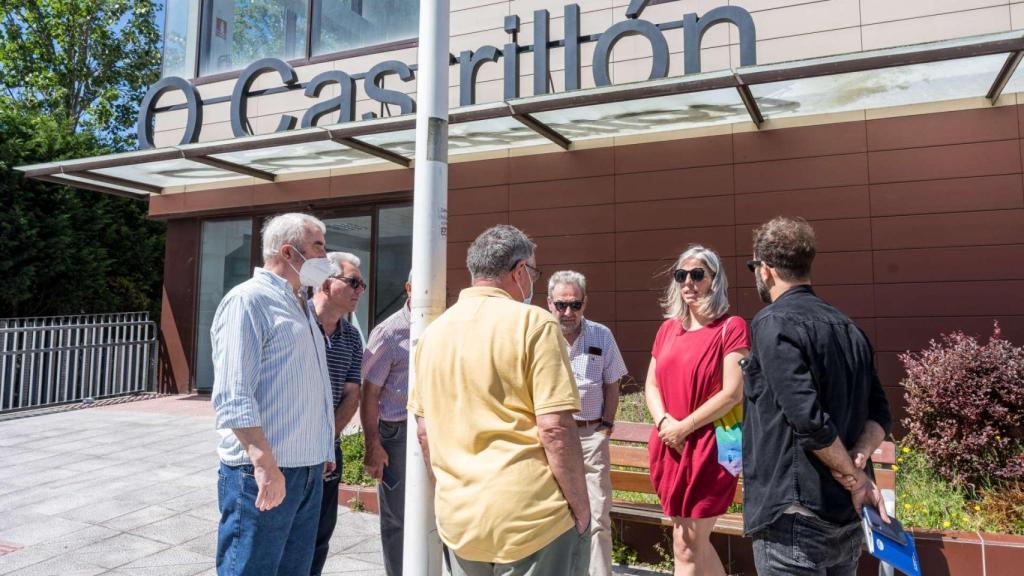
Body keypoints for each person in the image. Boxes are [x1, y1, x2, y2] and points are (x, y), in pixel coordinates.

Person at [409, 224, 591, 576]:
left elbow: (424, 433)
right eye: (533, 271)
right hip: (531, 517)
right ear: (519, 271)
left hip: (460, 518)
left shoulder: (432, 335)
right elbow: (554, 429)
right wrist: (582, 508)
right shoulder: (535, 323)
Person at [743, 217, 893, 576]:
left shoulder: (771, 322)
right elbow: (881, 416)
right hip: (845, 516)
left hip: (794, 516)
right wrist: (857, 460)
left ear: (765, 270)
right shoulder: (849, 328)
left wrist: (853, 475)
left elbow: (808, 420)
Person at [210, 212, 337, 576]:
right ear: (288, 251)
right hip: (264, 472)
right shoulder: (248, 301)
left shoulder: (301, 304)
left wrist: (323, 448)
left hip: (307, 470)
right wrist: (264, 464)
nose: (324, 258)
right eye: (318, 247)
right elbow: (233, 394)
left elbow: (309, 383)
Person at [644, 245, 749, 576]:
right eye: (681, 275)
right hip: (669, 444)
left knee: (687, 544)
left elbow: (733, 392)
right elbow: (651, 386)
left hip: (711, 446)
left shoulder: (731, 327)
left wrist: (683, 427)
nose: (688, 282)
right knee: (691, 543)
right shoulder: (667, 330)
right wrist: (664, 423)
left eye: (697, 274)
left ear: (714, 280)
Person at [546, 270, 627, 576]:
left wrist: (606, 425)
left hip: (591, 434)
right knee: (553, 513)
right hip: (552, 438)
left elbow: (612, 383)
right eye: (561, 305)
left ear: (585, 303)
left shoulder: (601, 335)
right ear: (549, 303)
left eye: (575, 305)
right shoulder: (539, 335)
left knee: (598, 513)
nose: (568, 312)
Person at [310, 252, 366, 575]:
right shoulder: (299, 325)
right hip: (291, 452)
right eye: (353, 282)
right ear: (326, 282)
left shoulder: (352, 337)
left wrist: (325, 439)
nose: (360, 290)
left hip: (329, 449)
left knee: (320, 534)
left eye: (362, 284)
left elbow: (352, 395)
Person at [361, 273, 412, 576]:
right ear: (408, 288)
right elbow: (369, 393)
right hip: (398, 434)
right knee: (398, 517)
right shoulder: (389, 333)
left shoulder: (443, 325)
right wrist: (373, 444)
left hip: (436, 429)